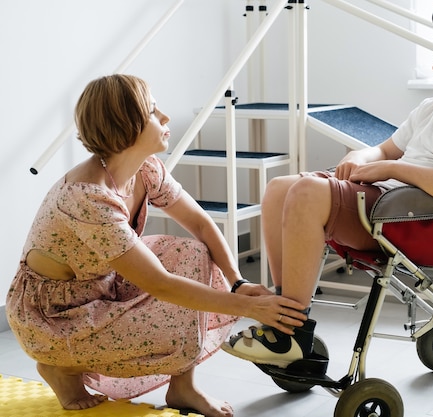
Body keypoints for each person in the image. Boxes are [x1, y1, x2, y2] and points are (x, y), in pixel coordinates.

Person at [221, 5, 433, 368]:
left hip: (417, 218)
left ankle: (289, 335)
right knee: (279, 188)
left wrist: (396, 168)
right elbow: (384, 149)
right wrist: (363, 157)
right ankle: (287, 316)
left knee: (305, 193)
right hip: (390, 202)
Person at [5, 74, 308, 417]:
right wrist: (247, 308)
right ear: (124, 124)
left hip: (102, 287)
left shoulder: (146, 169)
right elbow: (159, 284)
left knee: (192, 253)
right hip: (55, 317)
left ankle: (183, 387)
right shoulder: (87, 198)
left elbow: (200, 224)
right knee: (168, 311)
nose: (164, 116)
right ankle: (61, 367)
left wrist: (238, 282)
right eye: (152, 111)